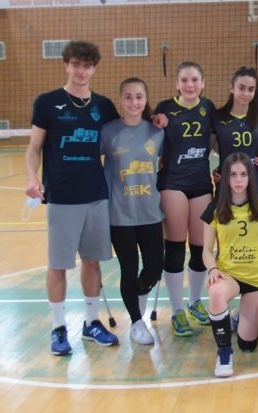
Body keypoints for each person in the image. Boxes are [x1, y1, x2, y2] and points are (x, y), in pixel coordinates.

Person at [25, 40, 119, 355]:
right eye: (76, 64)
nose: (81, 71)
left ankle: (91, 323)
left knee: (92, 261)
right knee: (58, 265)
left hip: (96, 195)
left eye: (87, 65)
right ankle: (58, 328)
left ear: (94, 68)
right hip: (62, 197)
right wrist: (31, 177)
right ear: (66, 65)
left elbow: (124, 136)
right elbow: (34, 148)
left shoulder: (104, 106)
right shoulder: (47, 103)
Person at [201, 153, 258, 377]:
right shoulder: (216, 208)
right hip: (229, 275)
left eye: (244, 174)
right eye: (233, 174)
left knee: (248, 345)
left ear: (250, 177)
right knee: (216, 291)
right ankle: (224, 353)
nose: (238, 180)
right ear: (225, 177)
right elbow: (206, 250)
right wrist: (213, 269)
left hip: (256, 279)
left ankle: (236, 316)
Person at [153, 61, 215, 336]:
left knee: (201, 247)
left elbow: (217, 140)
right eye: (185, 80)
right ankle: (177, 310)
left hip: (201, 182)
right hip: (173, 183)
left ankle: (195, 301)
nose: (190, 85)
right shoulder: (165, 108)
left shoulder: (209, 108)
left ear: (202, 83)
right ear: (177, 84)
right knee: (176, 246)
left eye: (195, 80)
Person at [101, 78, 164, 345]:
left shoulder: (157, 131)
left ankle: (138, 294)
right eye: (128, 97)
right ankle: (137, 322)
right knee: (128, 269)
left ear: (145, 99)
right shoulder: (108, 131)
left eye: (139, 97)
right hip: (120, 214)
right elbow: (88, 162)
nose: (134, 102)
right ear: (121, 100)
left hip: (150, 212)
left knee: (154, 268)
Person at [211, 66, 258, 193]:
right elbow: (207, 147)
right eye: (241, 88)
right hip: (226, 182)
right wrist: (215, 169)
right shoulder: (217, 117)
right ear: (232, 87)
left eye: (251, 89)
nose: (246, 94)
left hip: (254, 182)